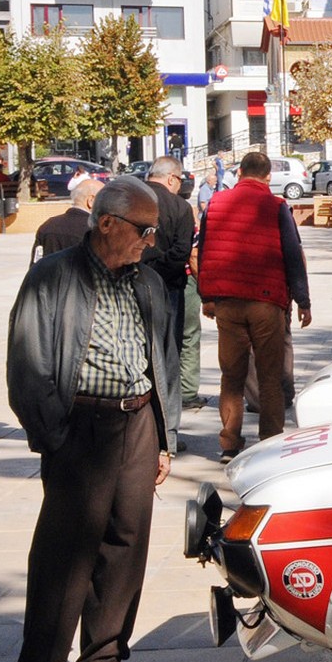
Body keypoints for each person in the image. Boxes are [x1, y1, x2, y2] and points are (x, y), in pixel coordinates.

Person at [6, 176, 176, 662]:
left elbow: (163, 361)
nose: (149, 241)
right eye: (143, 230)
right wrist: (52, 434)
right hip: (81, 426)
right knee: (65, 558)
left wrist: (163, 437)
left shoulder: (147, 282)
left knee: (126, 548)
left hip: (138, 423)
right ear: (107, 223)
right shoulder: (51, 279)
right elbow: (28, 365)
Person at [197, 151, 311, 463]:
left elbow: (204, 250)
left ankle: (229, 443)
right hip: (266, 302)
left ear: (240, 172)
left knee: (231, 377)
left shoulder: (216, 203)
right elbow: (291, 254)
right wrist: (303, 300)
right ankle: (270, 442)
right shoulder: (276, 205)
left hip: (228, 302)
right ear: (268, 176)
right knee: (269, 376)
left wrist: (206, 295)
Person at [143, 156, 198, 448]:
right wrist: (159, 272)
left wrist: (143, 270)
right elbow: (180, 254)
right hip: (169, 291)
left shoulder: (131, 197)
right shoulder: (180, 207)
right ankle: (168, 436)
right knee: (168, 360)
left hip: (131, 286)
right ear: (172, 179)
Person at [32, 179, 102, 262]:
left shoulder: (48, 226)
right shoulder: (96, 231)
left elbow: (35, 267)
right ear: (91, 201)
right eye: (105, 200)